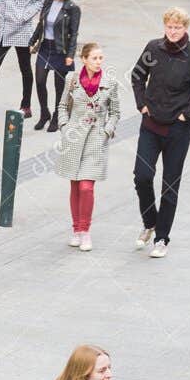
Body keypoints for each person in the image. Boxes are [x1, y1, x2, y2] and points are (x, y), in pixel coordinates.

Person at [130, 8, 190, 258]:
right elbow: (137, 77)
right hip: (151, 124)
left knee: (170, 184)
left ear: (185, 28)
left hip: (178, 129)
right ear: (164, 26)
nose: (173, 31)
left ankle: (162, 237)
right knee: (142, 176)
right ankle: (150, 222)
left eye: (177, 27)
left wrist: (187, 114)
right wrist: (141, 104)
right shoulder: (153, 48)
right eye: (169, 26)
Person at [54, 43, 121, 251]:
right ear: (84, 59)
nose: (99, 62)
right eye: (94, 58)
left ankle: (85, 231)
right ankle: (75, 229)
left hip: (95, 139)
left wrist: (106, 131)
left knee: (86, 186)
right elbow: (63, 106)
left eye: (101, 58)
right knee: (74, 185)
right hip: (74, 137)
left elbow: (115, 112)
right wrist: (65, 127)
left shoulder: (110, 82)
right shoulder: (72, 79)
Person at [29, 0, 80, 131]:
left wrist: (70, 55)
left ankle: (57, 116)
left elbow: (74, 33)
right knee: (39, 81)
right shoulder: (48, 1)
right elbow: (41, 24)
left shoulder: (72, 8)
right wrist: (33, 40)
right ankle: (44, 113)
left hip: (61, 50)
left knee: (60, 87)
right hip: (45, 47)